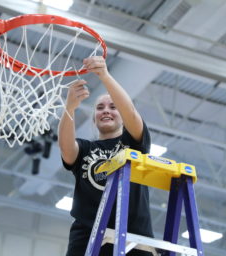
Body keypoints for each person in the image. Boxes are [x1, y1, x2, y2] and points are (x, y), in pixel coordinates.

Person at [58, 56, 154, 256]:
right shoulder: (85, 149)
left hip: (132, 236)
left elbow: (132, 114)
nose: (106, 111)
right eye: (100, 108)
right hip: (88, 236)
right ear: (94, 119)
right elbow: (66, 148)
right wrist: (70, 108)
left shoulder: (133, 144)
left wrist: (104, 75)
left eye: (112, 107)